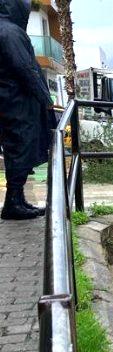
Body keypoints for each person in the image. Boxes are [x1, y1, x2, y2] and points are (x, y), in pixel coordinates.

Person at [0, 0, 52, 220]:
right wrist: (45, 98)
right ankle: (13, 202)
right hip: (17, 104)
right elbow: (25, 68)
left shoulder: (7, 30)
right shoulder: (10, 32)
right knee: (20, 148)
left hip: (11, 101)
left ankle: (17, 199)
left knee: (17, 149)